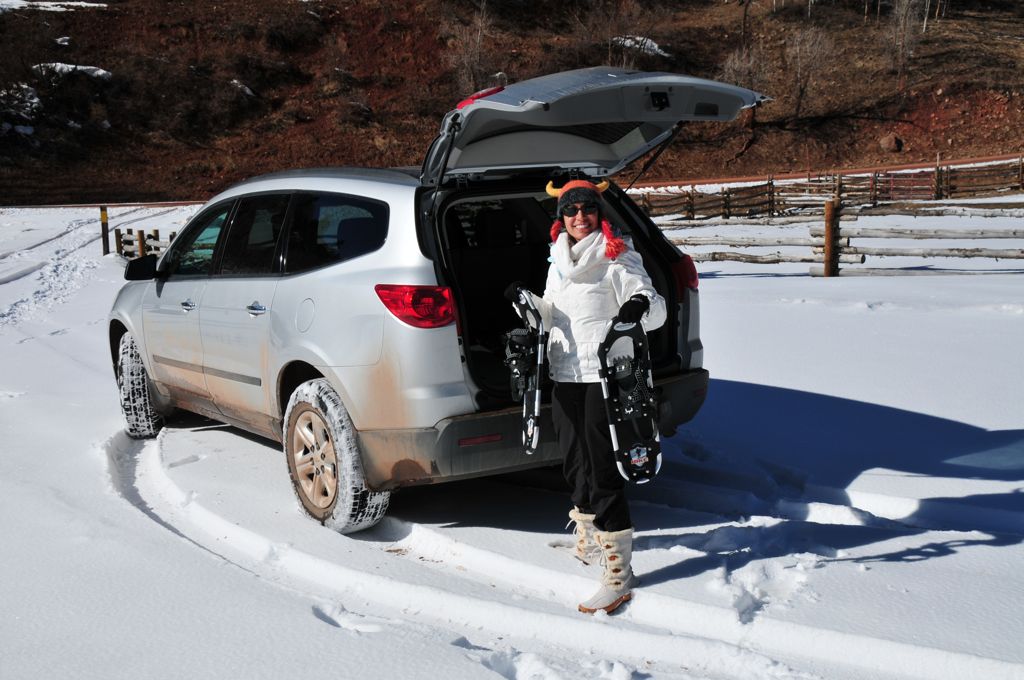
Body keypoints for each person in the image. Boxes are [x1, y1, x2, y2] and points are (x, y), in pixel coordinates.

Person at [505, 179, 666, 614]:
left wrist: (636, 308)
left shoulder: (617, 254)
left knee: (602, 466)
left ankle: (619, 572)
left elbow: (653, 303)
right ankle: (591, 534)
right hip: (564, 370)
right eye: (571, 210)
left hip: (603, 375)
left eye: (587, 209)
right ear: (561, 218)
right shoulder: (558, 259)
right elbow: (554, 311)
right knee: (574, 459)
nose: (580, 217)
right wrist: (528, 303)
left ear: (599, 214)